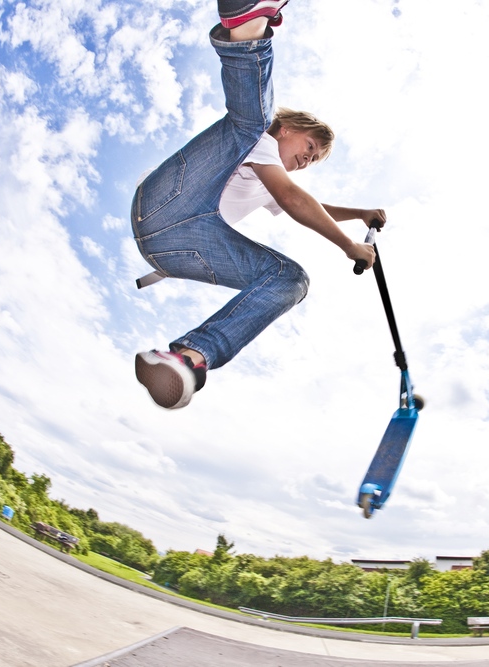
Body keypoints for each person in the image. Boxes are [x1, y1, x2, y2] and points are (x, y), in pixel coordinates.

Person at [131, 0, 385, 409]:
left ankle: (187, 360)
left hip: (178, 249)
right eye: (310, 147)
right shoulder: (262, 141)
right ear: (288, 129)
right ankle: (247, 27)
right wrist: (349, 247)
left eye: (315, 160)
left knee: (290, 279)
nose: (308, 159)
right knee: (248, 124)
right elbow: (295, 198)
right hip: (166, 205)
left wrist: (360, 214)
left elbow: (304, 203)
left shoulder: (269, 179)